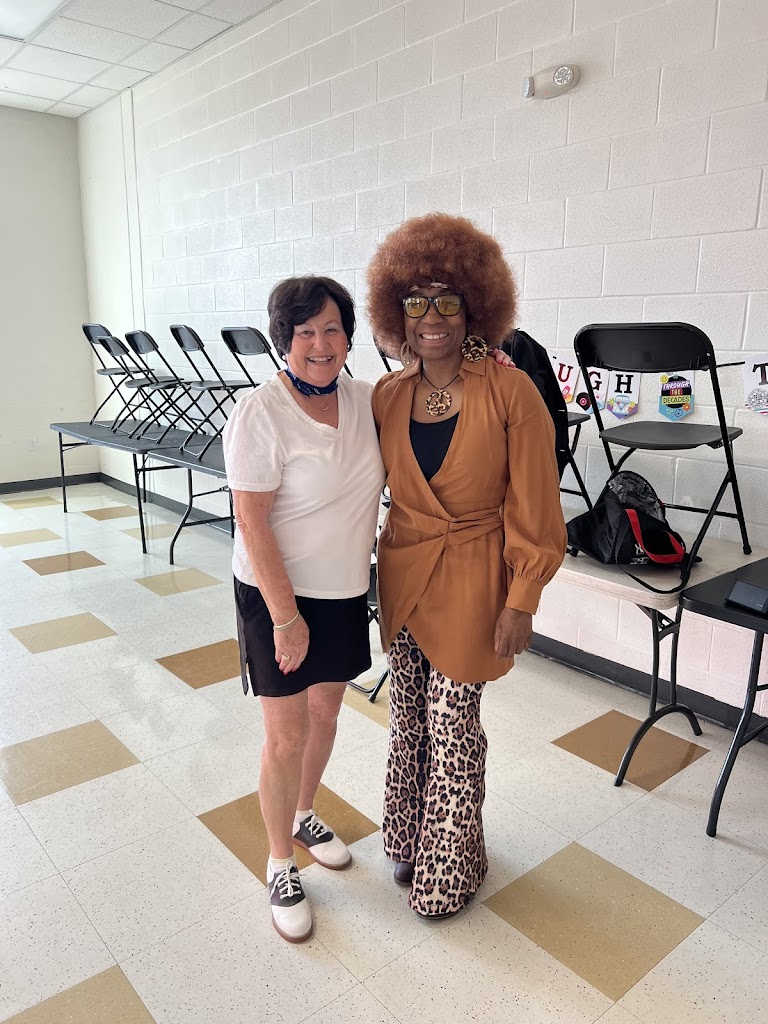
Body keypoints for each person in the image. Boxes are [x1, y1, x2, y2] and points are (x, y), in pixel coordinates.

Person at [366, 213, 568, 919]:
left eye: (447, 300)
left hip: (475, 579)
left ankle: (454, 865)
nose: (431, 317)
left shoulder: (512, 393)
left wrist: (522, 600)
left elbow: (536, 507)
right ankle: (409, 835)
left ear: (475, 306)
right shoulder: (388, 394)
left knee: (454, 727)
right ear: (396, 312)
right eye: (415, 302)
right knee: (408, 716)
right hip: (402, 575)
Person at [222, 276, 385, 943]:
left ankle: (303, 813)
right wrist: (286, 618)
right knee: (286, 734)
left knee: (325, 714)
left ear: (349, 337)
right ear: (283, 340)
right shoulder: (260, 411)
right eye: (304, 332)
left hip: (343, 589)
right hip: (276, 594)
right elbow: (252, 521)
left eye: (332, 329)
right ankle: (279, 863)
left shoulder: (367, 399)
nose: (320, 344)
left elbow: (433, 395)